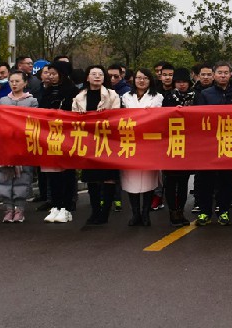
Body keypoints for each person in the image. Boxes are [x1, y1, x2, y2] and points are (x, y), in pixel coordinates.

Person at [72, 65, 121, 227]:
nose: (97, 76)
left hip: (107, 141)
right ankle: (95, 211)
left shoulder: (112, 95)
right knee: (91, 178)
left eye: (100, 74)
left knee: (108, 178)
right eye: (93, 74)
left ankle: (105, 212)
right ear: (87, 77)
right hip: (89, 142)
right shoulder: (79, 97)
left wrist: (105, 115)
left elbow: (116, 116)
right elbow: (73, 120)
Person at [193, 62, 232, 226]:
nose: (223, 75)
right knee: (206, 179)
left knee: (226, 179)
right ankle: (205, 212)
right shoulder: (205, 94)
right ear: (214, 75)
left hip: (230, 141)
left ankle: (224, 210)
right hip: (209, 142)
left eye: (226, 72)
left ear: (230, 74)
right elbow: (197, 116)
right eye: (219, 72)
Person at [0, 71, 39, 223]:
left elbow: (34, 121)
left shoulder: (32, 101)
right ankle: (8, 208)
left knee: (23, 176)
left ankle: (19, 209)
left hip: (23, 143)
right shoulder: (2, 101)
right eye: (11, 81)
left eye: (17, 81)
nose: (14, 84)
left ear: (25, 83)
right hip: (5, 144)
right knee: (3, 176)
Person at [120, 68, 163, 227]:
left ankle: (145, 213)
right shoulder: (126, 97)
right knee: (131, 180)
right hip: (130, 141)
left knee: (148, 180)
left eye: (145, 78)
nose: (141, 80)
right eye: (138, 77)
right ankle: (135, 213)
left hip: (148, 143)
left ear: (150, 80)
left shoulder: (157, 97)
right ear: (133, 79)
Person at [38, 61, 78, 223]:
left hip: (67, 137)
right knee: (52, 173)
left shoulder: (72, 91)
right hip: (50, 137)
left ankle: (66, 208)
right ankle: (55, 205)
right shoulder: (46, 91)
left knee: (67, 173)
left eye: (54, 73)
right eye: (49, 73)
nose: (51, 76)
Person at [162, 67, 195, 226]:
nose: (182, 85)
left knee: (183, 181)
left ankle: (181, 211)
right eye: (179, 82)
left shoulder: (196, 97)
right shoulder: (167, 98)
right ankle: (172, 211)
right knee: (170, 181)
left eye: (185, 82)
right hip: (170, 144)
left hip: (188, 145)